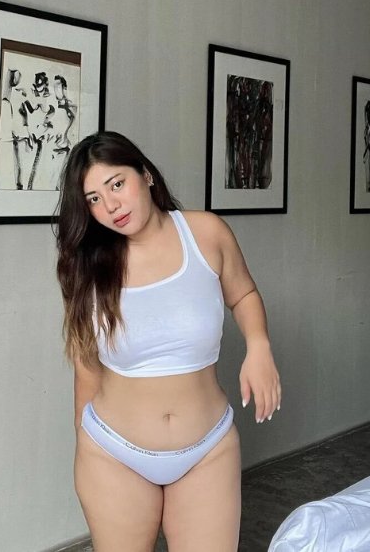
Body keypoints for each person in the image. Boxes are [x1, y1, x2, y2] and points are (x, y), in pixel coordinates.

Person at [56, 131, 281, 552]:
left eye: (117, 184)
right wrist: (83, 444)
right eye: (94, 199)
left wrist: (259, 346)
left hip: (208, 449)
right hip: (113, 453)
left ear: (145, 175)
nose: (111, 206)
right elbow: (86, 366)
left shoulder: (206, 233)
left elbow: (244, 294)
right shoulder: (89, 264)